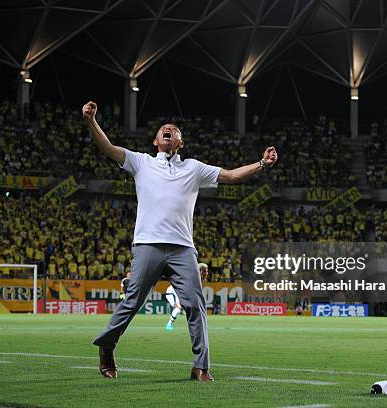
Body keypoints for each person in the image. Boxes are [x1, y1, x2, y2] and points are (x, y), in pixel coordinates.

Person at [83, 100, 278, 382]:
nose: (168, 129)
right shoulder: (141, 162)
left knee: (195, 306)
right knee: (132, 302)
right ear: (155, 140)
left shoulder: (194, 168)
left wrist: (262, 163)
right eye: (164, 128)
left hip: (183, 249)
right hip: (148, 244)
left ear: (180, 142)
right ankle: (106, 345)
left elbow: (231, 176)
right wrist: (91, 121)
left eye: (173, 129)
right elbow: (108, 149)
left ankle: (201, 366)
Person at [165, 263, 208, 331]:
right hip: (173, 292)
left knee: (194, 307)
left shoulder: (198, 277)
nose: (207, 273)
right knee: (178, 307)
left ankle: (199, 325)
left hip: (181, 291)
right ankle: (169, 325)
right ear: (201, 271)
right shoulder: (194, 276)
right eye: (205, 270)